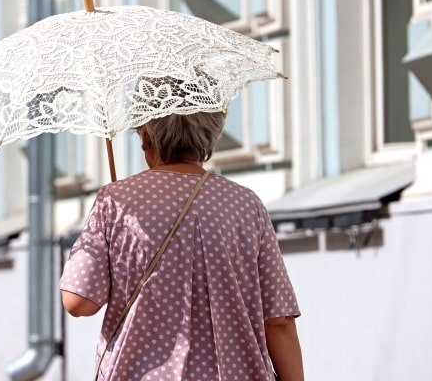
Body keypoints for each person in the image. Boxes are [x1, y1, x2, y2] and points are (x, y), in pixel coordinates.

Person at [60, 110, 303, 381]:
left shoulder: (116, 201)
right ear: (212, 137)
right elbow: (278, 321)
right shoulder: (246, 205)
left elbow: (78, 302)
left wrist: (101, 238)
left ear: (145, 138)